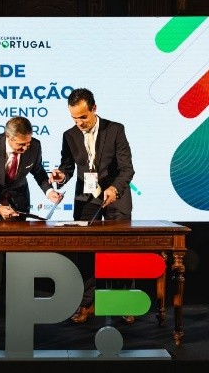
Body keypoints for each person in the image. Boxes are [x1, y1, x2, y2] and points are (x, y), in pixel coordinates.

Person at [49, 87, 136, 324]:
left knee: (120, 252)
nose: (79, 123)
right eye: (74, 118)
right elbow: (67, 167)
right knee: (85, 252)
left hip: (115, 197)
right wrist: (60, 176)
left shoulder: (115, 130)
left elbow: (127, 169)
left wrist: (114, 188)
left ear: (94, 109)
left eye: (83, 117)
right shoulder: (69, 135)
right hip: (86, 199)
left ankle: (122, 302)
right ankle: (86, 303)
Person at [0, 116, 63, 310]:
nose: (26, 148)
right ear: (9, 137)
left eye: (28, 143)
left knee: (14, 254)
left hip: (17, 201)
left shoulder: (34, 146)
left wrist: (49, 192)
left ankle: (11, 305)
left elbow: (38, 171)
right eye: (21, 144)